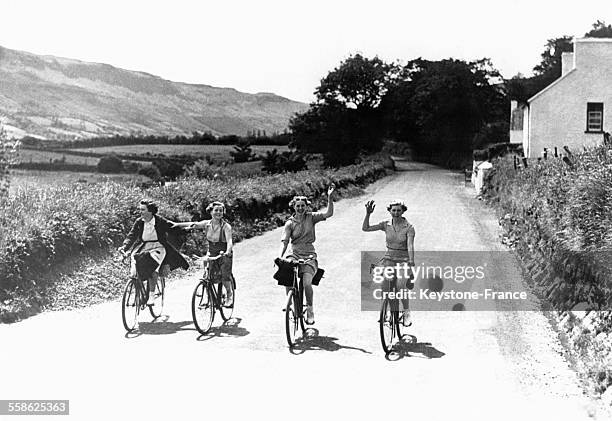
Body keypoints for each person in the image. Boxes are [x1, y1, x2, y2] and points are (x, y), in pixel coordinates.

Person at [278, 184, 335, 325]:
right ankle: (290, 303)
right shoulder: (289, 223)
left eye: (303, 206)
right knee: (287, 274)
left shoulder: (312, 217)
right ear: (294, 207)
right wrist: (280, 256)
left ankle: (310, 309)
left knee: (306, 282)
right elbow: (284, 241)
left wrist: (329, 197)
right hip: (294, 252)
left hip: (309, 254)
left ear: (306, 206)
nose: (300, 208)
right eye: (298, 206)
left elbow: (329, 213)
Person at [118, 199, 189, 305]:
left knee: (152, 267)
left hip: (158, 247)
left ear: (150, 211)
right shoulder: (139, 222)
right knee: (135, 270)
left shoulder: (159, 221)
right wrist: (124, 247)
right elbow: (131, 235)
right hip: (143, 246)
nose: (140, 212)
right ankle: (139, 295)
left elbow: (173, 227)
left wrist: (189, 227)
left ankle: (151, 296)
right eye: (140, 209)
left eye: (143, 210)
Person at [362, 199, 415, 326]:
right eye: (393, 210)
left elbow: (410, 246)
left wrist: (411, 262)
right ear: (390, 211)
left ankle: (406, 311)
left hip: (403, 261)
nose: (396, 213)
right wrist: (368, 214)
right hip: (389, 259)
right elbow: (366, 228)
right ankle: (385, 311)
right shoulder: (386, 225)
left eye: (398, 210)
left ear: (403, 211)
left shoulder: (409, 228)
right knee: (385, 287)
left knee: (401, 286)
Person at [174, 201, 235, 307]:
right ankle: (207, 297)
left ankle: (229, 295)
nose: (218, 213)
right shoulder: (207, 224)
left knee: (225, 276)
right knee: (208, 275)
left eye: (221, 210)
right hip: (211, 251)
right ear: (211, 212)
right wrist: (177, 225)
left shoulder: (226, 226)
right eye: (216, 210)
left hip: (223, 252)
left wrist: (228, 251)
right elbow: (194, 224)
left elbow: (229, 241)